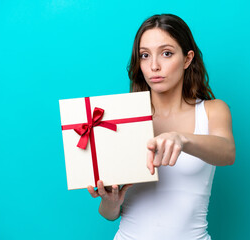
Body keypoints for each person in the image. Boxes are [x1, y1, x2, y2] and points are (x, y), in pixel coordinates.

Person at [87, 14, 235, 240]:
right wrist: (111, 202)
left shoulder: (213, 110)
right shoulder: (122, 118)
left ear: (187, 59)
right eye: (145, 55)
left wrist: (182, 139)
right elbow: (109, 215)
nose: (154, 66)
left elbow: (227, 152)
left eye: (166, 53)